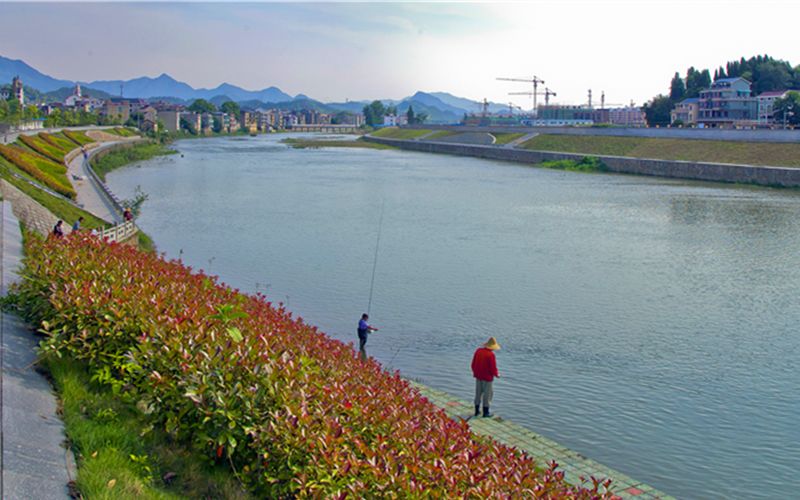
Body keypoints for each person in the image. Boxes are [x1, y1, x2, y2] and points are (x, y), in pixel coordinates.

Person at [471, 337, 500, 417]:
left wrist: (475, 372)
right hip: (487, 378)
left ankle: (476, 411)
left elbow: (473, 364)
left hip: (478, 376)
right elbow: (493, 368)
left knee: (478, 393)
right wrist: (497, 374)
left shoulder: (478, 351)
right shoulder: (491, 355)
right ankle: (486, 413)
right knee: (487, 395)